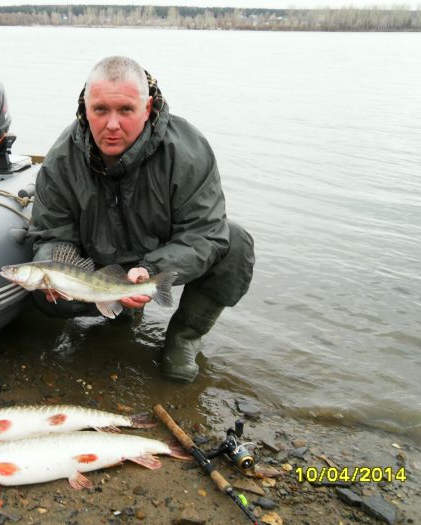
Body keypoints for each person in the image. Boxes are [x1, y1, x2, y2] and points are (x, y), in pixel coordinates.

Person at [28, 56, 254, 383]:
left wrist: (150, 269)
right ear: (85, 107)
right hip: (100, 261)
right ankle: (121, 314)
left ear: (147, 109)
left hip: (157, 254)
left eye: (126, 110)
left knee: (235, 244)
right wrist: (50, 264)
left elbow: (205, 234)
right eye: (100, 110)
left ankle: (184, 337)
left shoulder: (188, 150)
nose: (112, 124)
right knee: (40, 280)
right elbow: (52, 233)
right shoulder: (61, 159)